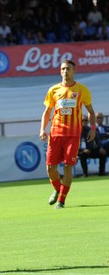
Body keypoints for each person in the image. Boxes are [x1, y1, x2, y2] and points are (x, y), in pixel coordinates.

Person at [40, 59, 97, 209]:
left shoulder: (81, 89)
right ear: (60, 71)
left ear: (74, 71)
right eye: (63, 69)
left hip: (73, 135)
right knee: (50, 168)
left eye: (68, 69)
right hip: (55, 134)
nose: (65, 71)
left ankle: (61, 201)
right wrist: (42, 129)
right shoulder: (53, 90)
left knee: (68, 166)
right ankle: (58, 189)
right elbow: (47, 112)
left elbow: (91, 112)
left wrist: (92, 128)